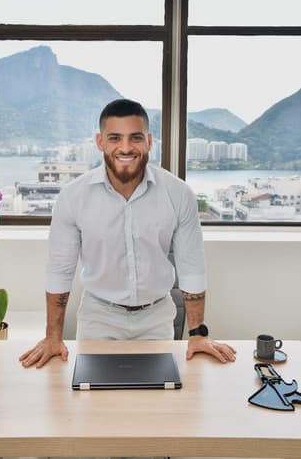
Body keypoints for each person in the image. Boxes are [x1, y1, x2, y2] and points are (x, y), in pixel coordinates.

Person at [20, 99, 236, 369]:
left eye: (135, 137)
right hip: (98, 317)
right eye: (114, 138)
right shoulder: (73, 197)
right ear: (100, 142)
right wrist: (52, 337)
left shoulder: (178, 194)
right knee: (95, 404)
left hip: (157, 318)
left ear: (149, 140)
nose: (125, 148)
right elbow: (59, 270)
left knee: (156, 402)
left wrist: (197, 335)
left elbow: (192, 268)